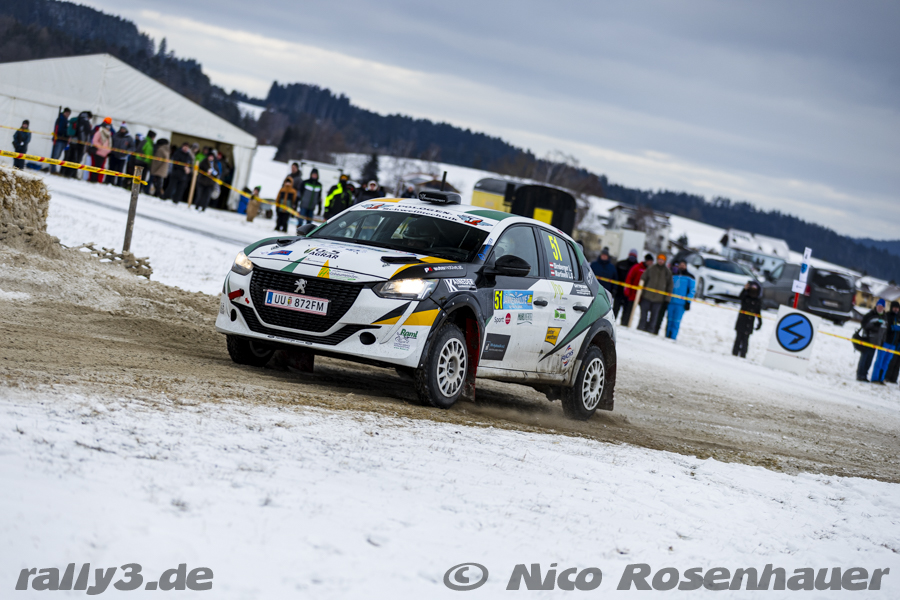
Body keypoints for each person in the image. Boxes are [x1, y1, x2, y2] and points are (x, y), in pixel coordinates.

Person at [637, 254, 673, 333]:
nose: (660, 261)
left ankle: (650, 331)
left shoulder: (667, 272)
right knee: (643, 316)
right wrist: (640, 294)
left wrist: (667, 299)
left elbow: (670, 286)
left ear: (665, 261)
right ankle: (640, 330)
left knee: (654, 318)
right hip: (646, 297)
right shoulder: (651, 268)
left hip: (659, 300)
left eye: (662, 260)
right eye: (659, 259)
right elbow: (643, 279)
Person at [856, 300, 887, 382]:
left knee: (869, 360)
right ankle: (860, 375)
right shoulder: (870, 315)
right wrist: (873, 326)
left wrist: (882, 341)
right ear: (876, 306)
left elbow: (885, 331)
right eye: (878, 306)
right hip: (867, 340)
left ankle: (865, 375)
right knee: (864, 358)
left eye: (881, 307)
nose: (880, 308)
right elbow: (864, 325)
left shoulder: (884, 317)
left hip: (876, 342)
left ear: (884, 308)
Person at [871, 301, 900, 384]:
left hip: (893, 344)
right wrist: (892, 328)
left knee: (886, 362)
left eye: (897, 308)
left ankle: (881, 378)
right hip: (885, 342)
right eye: (895, 307)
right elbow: (885, 328)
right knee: (879, 361)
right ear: (891, 307)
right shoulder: (887, 316)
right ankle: (875, 378)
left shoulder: (898, 318)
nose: (896, 309)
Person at [667, 260, 696, 340]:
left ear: (686, 266)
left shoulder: (690, 277)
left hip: (681, 303)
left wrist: (688, 302)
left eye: (683, 265)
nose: (682, 266)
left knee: (676, 322)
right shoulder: (674, 275)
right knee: (669, 320)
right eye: (680, 265)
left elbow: (692, 290)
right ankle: (667, 336)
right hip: (671, 301)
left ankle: (673, 338)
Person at [732, 281, 763, 357]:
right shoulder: (745, 297)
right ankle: (735, 352)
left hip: (749, 323)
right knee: (738, 338)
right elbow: (740, 297)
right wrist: (744, 289)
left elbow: (758, 312)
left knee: (745, 339)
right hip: (741, 321)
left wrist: (760, 322)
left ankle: (743, 354)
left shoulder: (757, 301)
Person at [623, 253, 652, 325]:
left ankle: (641, 326)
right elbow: (629, 278)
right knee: (628, 310)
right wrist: (627, 290)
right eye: (649, 261)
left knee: (643, 313)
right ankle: (625, 323)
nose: (650, 263)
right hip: (632, 293)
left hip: (643, 296)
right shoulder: (637, 267)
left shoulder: (650, 270)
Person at [614, 249, 638, 319]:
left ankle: (624, 324)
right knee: (615, 310)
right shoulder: (621, 264)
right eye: (631, 255)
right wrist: (615, 288)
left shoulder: (637, 267)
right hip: (619, 292)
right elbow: (615, 276)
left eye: (634, 256)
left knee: (627, 313)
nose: (632, 257)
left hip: (629, 294)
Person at [88, 118, 113, 183]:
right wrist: (101, 147)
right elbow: (95, 141)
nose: (108, 128)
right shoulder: (99, 132)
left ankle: (97, 180)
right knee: (95, 167)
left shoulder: (109, 134)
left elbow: (109, 144)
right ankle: (92, 179)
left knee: (100, 168)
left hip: (104, 154)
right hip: (98, 152)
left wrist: (108, 150)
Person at [51, 108, 71, 173]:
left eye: (69, 114)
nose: (68, 115)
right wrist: (67, 131)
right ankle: (52, 169)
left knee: (57, 155)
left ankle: (53, 169)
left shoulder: (65, 120)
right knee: (56, 155)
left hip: (62, 140)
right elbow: (59, 129)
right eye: (67, 113)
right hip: (59, 139)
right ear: (64, 112)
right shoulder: (61, 119)